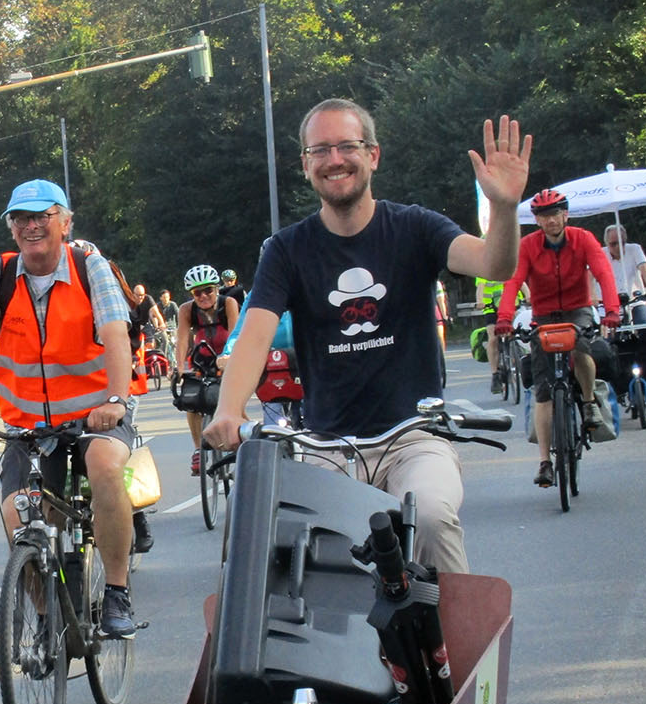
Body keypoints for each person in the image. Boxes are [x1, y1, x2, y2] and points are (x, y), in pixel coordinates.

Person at [202, 100, 533, 573]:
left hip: (415, 438)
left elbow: (495, 264)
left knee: (434, 519)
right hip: (326, 447)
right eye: (321, 149)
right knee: (268, 536)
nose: (334, 159)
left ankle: (458, 648)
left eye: (347, 146)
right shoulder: (286, 250)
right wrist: (229, 410)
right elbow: (255, 335)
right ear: (305, 164)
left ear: (373, 155)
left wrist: (504, 207)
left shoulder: (416, 227)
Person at [0, 179, 138, 638]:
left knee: (105, 467)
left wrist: (115, 400)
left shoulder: (91, 267)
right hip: (28, 424)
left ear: (64, 223)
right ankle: (48, 617)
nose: (31, 227)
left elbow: (115, 336)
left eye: (41, 217)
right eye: (20, 219)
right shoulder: (0, 273)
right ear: (11, 228)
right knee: (16, 515)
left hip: (94, 414)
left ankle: (117, 592)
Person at [495, 190, 620, 489]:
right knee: (543, 390)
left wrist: (611, 310)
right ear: (536, 220)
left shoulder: (584, 239)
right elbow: (513, 282)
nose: (551, 220)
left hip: (578, 310)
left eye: (556, 213)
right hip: (544, 315)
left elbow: (603, 273)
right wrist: (504, 317)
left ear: (566, 215)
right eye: (544, 215)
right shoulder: (527, 246)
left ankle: (588, 402)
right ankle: (545, 462)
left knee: (582, 348)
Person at [176, 264, 239, 476]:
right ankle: (197, 449)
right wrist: (178, 369)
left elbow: (235, 333)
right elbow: (182, 340)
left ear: (216, 289)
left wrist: (229, 357)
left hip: (226, 358)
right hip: (201, 359)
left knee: (233, 404)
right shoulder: (187, 310)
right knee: (191, 399)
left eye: (208, 290)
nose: (203, 296)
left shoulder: (228, 303)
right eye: (197, 293)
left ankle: (244, 447)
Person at [602, 224, 646, 324]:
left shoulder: (634, 249)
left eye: (621, 243)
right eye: (613, 244)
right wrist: (592, 294)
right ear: (606, 243)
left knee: (645, 324)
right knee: (609, 334)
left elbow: (644, 268)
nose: (618, 247)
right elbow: (589, 274)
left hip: (634, 300)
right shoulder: (601, 253)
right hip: (610, 303)